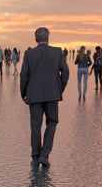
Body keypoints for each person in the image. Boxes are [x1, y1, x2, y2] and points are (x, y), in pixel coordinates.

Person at [20, 27, 69, 167]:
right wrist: (60, 89)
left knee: (35, 125)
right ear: (48, 38)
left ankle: (35, 156)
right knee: (52, 123)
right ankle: (45, 155)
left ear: (36, 39)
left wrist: (23, 93)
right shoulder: (57, 52)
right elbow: (65, 72)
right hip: (52, 94)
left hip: (34, 95)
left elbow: (24, 75)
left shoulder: (29, 54)